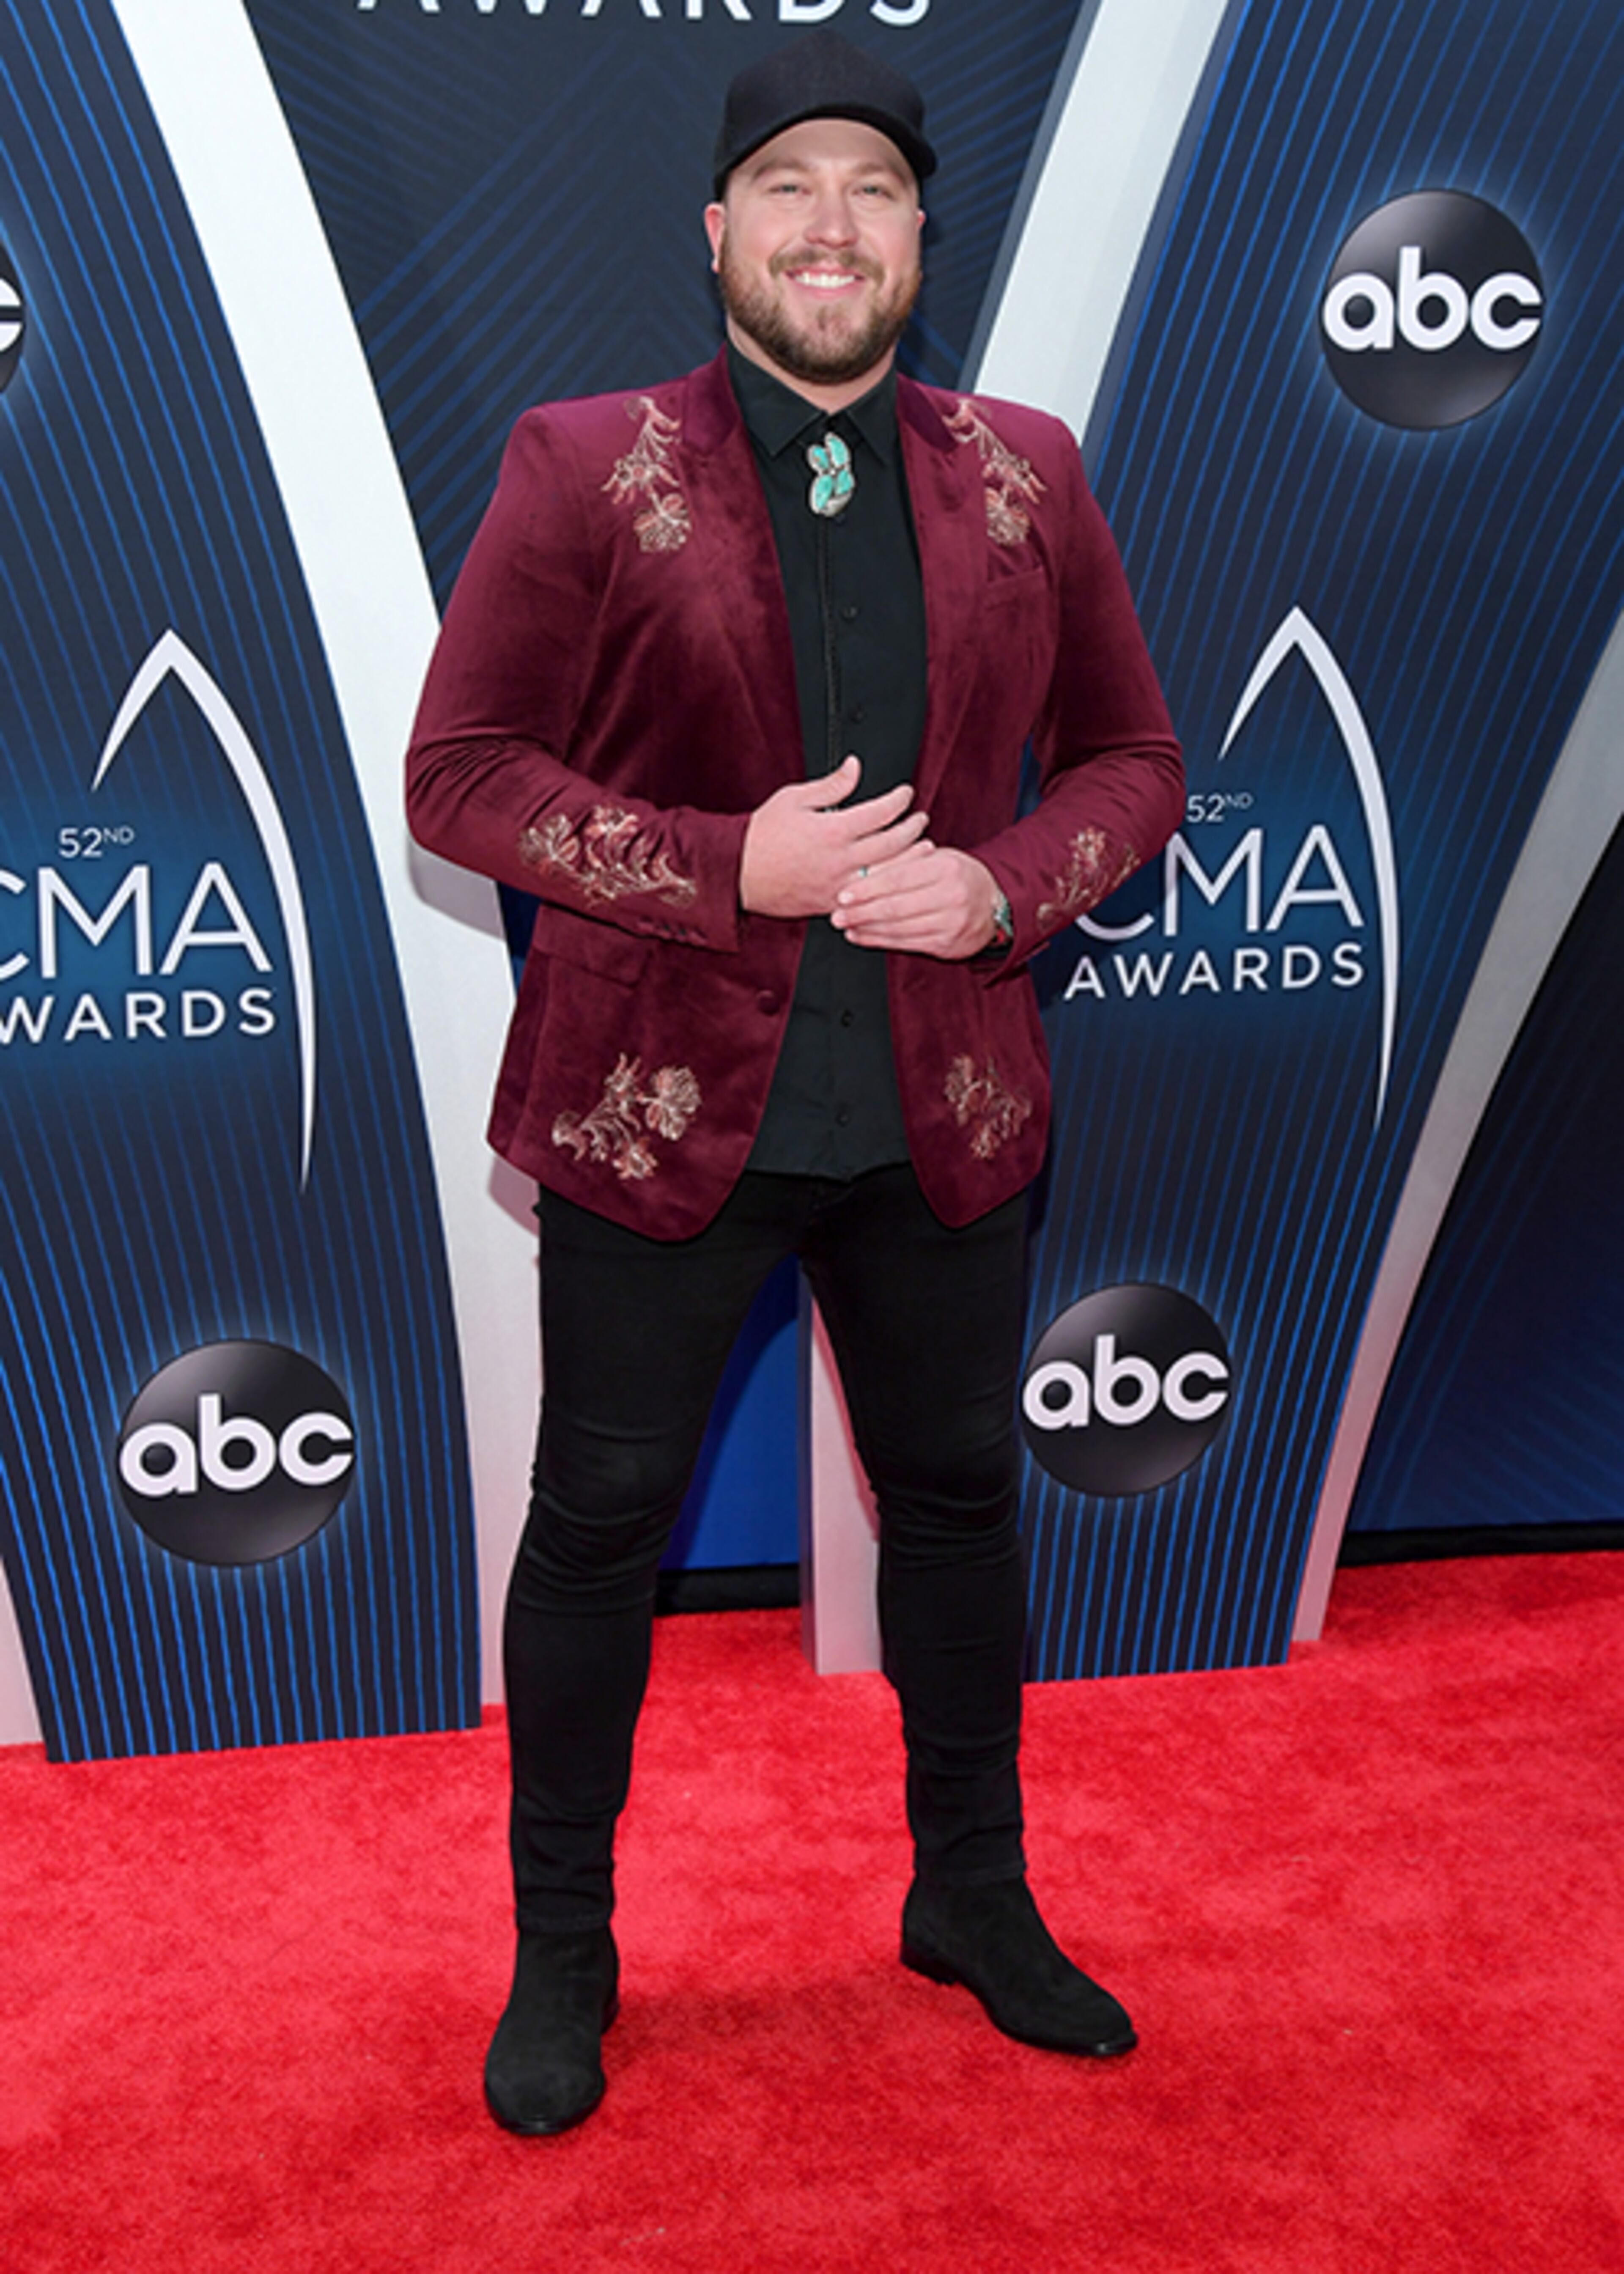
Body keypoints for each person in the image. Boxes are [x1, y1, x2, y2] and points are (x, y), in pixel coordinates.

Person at [406, 29, 1184, 2137]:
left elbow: (1138, 763)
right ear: (720, 229)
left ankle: (973, 1897)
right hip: (661, 1124)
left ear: (924, 236)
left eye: (874, 191)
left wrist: (1012, 891)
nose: (831, 228)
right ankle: (563, 1950)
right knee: (599, 1524)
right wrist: (714, 867)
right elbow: (458, 776)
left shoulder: (1030, 469)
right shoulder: (583, 466)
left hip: (950, 1121)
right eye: (791, 187)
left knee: (952, 1508)